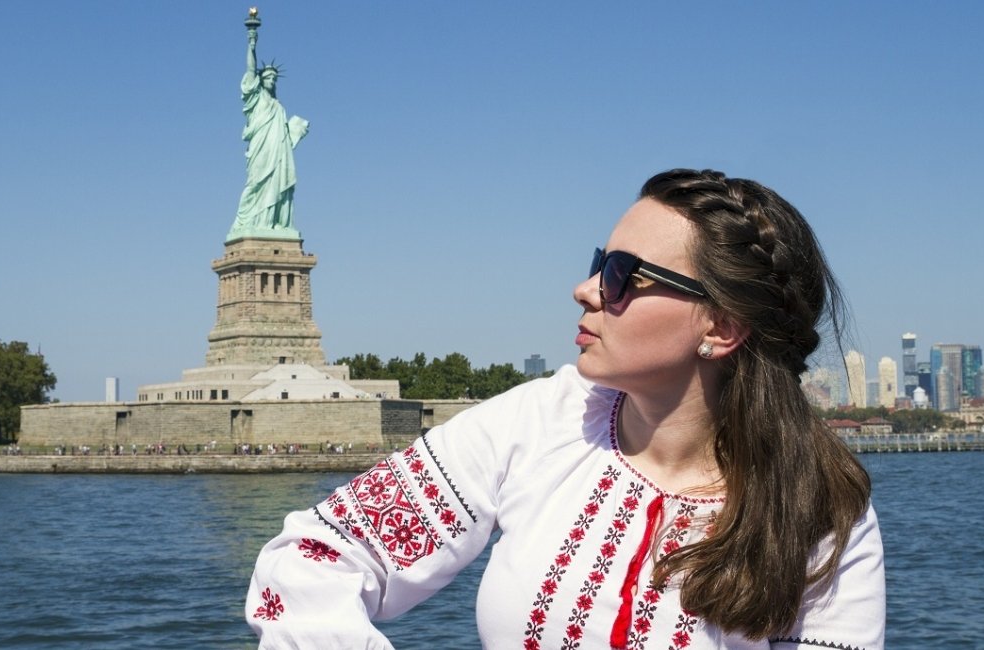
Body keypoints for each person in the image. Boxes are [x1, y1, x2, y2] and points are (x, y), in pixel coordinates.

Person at [246, 169, 885, 649]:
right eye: (597, 264)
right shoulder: (543, 420)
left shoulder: (820, 506)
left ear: (720, 326)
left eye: (623, 275)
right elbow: (315, 554)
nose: (585, 290)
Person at [228, 22, 309, 240]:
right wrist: (252, 43)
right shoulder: (255, 98)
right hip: (261, 148)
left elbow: (285, 136)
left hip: (279, 152)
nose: (271, 81)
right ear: (261, 80)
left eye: (274, 79)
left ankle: (274, 223)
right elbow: (250, 69)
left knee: (279, 184)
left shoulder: (278, 106)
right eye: (268, 78)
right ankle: (247, 221)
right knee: (256, 183)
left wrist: (296, 131)